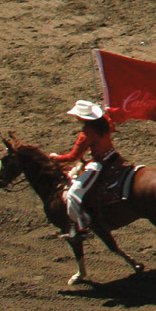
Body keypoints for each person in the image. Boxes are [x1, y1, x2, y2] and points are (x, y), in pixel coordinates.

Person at [51, 99, 123, 239]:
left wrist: (56, 157)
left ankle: (80, 227)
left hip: (100, 163)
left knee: (73, 194)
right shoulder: (106, 122)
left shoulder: (86, 134)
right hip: (114, 157)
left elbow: (73, 156)